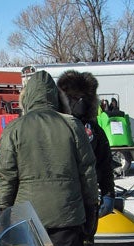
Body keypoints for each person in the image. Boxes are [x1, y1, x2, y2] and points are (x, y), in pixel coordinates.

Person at [0, 70, 98, 246]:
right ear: (55, 96)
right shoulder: (72, 125)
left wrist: (4, 211)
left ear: (27, 98)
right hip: (68, 215)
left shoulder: (14, 129)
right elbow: (88, 172)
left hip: (27, 216)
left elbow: (6, 176)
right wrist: (91, 207)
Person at [57, 70, 115, 221]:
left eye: (85, 98)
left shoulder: (94, 130)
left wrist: (108, 193)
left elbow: (105, 164)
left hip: (87, 201)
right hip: (58, 201)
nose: (81, 103)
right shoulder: (53, 128)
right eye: (76, 98)